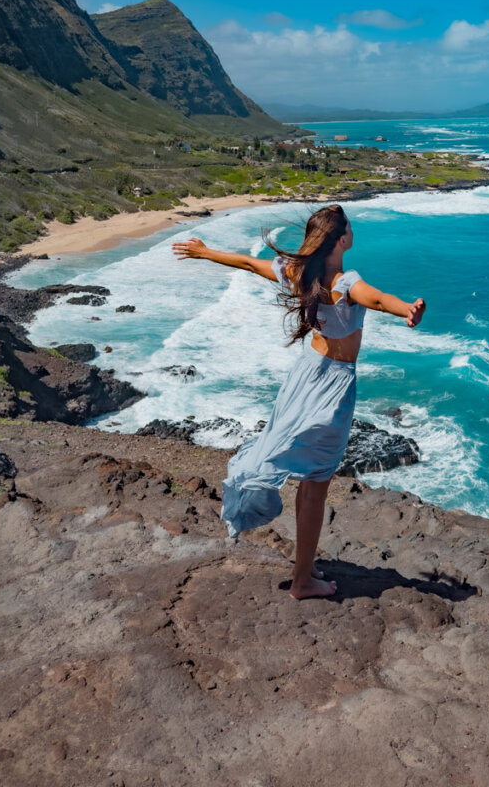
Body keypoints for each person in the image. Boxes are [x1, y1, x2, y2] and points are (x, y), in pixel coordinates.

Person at [171, 204, 425, 599]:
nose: (353, 231)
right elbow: (375, 299)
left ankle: (304, 569)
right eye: (350, 228)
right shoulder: (345, 281)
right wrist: (406, 309)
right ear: (342, 239)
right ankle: (303, 580)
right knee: (317, 480)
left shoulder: (298, 272)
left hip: (305, 374)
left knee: (309, 474)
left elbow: (248, 264)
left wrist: (207, 252)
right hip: (333, 385)